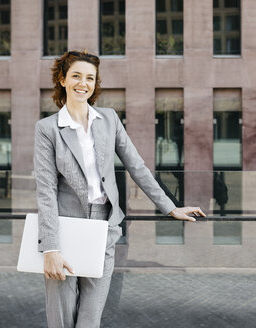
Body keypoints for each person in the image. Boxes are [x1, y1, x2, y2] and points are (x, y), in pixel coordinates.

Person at [33, 50, 206, 328]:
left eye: (90, 78)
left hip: (104, 228)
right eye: (76, 76)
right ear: (63, 79)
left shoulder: (109, 119)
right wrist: (50, 248)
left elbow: (137, 167)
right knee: (62, 318)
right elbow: (45, 190)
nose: (83, 83)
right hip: (65, 230)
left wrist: (170, 206)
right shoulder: (47, 129)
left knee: (90, 320)